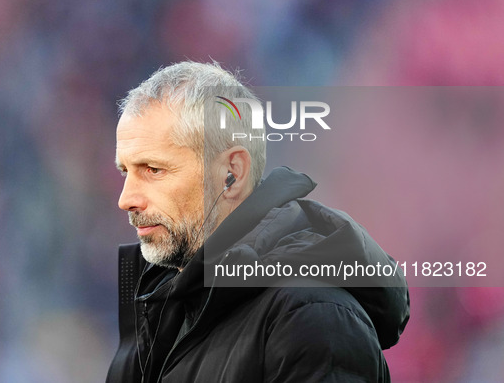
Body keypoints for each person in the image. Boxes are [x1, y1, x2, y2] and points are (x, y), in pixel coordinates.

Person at [107, 61, 409, 382]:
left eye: (154, 169)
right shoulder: (161, 312)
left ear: (232, 173)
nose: (126, 199)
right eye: (126, 171)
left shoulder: (312, 315)